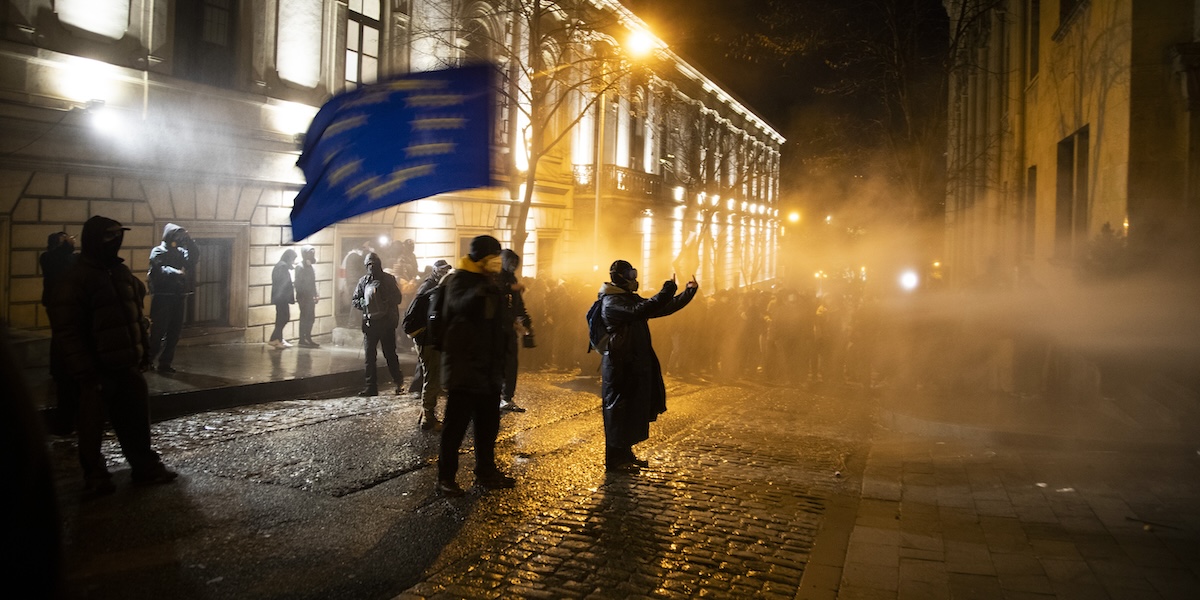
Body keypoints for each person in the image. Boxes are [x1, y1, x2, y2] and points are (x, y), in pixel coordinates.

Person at [48, 215, 178, 495]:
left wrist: (142, 351)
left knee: (135, 420)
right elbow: (67, 329)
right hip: (96, 368)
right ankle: (95, 476)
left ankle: (144, 467)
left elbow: (135, 316)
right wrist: (83, 369)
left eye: (118, 236)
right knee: (91, 426)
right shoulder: (75, 278)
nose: (116, 242)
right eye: (109, 237)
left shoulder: (120, 274)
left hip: (127, 364)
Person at [597, 260, 698, 473]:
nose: (635, 278)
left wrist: (688, 293)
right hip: (619, 364)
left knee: (632, 409)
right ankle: (614, 460)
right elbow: (641, 309)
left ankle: (625, 453)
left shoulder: (625, 298)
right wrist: (668, 288)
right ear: (622, 277)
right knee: (618, 410)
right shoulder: (611, 301)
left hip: (632, 362)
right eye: (631, 274)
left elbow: (660, 308)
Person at [437, 235, 515, 496]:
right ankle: (446, 477)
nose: (497, 261)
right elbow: (457, 306)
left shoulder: (490, 281)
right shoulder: (458, 279)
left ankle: (486, 471)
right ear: (481, 257)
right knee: (455, 428)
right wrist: (479, 291)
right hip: (465, 369)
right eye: (493, 256)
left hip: (488, 370)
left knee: (488, 426)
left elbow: (495, 325)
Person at [406, 259, 452, 430]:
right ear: (434, 270)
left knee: (430, 376)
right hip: (427, 339)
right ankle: (428, 418)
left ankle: (425, 413)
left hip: (428, 339)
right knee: (432, 378)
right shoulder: (431, 288)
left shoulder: (434, 286)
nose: (444, 272)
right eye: (441, 270)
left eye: (446, 270)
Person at [351, 252, 405, 396]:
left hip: (386, 324)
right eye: (369, 264)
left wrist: (384, 300)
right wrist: (366, 304)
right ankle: (371, 387)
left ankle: (399, 381)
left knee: (390, 355)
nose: (372, 267)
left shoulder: (388, 279)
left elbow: (398, 298)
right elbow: (355, 300)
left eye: (374, 264)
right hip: (370, 324)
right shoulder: (363, 281)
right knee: (369, 357)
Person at [40, 231, 78, 435]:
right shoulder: (48, 257)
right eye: (64, 239)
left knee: (61, 337)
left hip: (66, 303)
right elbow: (57, 261)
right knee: (59, 336)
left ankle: (59, 368)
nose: (70, 241)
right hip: (54, 303)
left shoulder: (69, 257)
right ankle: (58, 369)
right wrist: (66, 246)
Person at [146, 223, 196, 372]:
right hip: (163, 298)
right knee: (158, 332)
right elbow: (158, 269)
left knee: (174, 333)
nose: (177, 238)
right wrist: (176, 273)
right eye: (175, 235)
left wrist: (190, 240)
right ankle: (147, 360)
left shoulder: (180, 252)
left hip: (178, 297)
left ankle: (165, 363)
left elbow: (193, 259)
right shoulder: (158, 251)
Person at [498, 249, 533, 413]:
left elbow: (518, 304)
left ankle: (506, 397)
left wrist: (526, 322)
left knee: (511, 365)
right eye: (511, 263)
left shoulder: (511, 279)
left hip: (509, 329)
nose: (514, 267)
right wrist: (510, 287)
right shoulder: (496, 277)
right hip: (496, 330)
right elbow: (494, 293)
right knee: (498, 365)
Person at [268, 249, 297, 348]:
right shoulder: (282, 266)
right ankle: (274, 339)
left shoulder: (281, 265)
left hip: (280, 297)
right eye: (293, 259)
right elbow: (283, 283)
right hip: (281, 298)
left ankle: (278, 339)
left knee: (281, 318)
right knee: (283, 318)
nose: (293, 261)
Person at [295, 245, 320, 348]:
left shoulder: (309, 267)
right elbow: (298, 284)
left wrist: (315, 294)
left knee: (311, 317)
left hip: (309, 296)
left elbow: (312, 282)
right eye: (310, 253)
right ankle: (302, 338)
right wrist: (303, 296)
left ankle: (308, 337)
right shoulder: (300, 267)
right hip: (303, 297)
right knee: (305, 317)